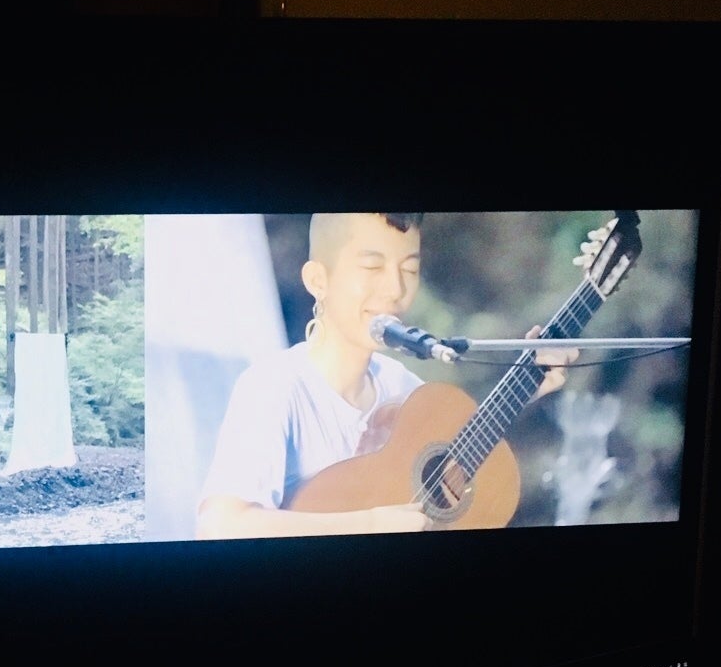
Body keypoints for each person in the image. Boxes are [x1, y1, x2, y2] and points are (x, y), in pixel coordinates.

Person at [196, 212, 578, 539]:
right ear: (318, 280)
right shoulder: (273, 386)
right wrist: (370, 524)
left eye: (409, 269)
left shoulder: (402, 387)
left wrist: (528, 384)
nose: (395, 289)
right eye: (372, 267)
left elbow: (459, 450)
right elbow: (221, 525)